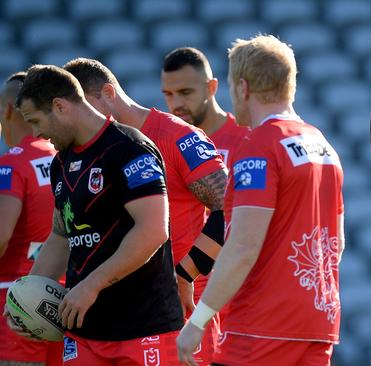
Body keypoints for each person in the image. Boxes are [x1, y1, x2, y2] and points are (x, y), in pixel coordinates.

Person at [176, 35, 345, 366]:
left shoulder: (261, 146)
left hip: (262, 327)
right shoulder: (323, 146)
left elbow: (242, 246)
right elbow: (337, 243)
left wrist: (197, 322)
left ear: (243, 87)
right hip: (317, 322)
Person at [9, 64, 184, 365]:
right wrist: (22, 299)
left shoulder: (130, 148)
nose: (36, 133)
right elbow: (61, 236)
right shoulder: (59, 164)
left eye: (36, 121)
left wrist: (91, 285)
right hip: (83, 332)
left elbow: (153, 230)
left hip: (143, 326)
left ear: (60, 106)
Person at [63, 58, 228, 365]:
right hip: (115, 315)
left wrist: (185, 273)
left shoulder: (178, 136)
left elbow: (229, 207)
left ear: (109, 94)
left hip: (179, 312)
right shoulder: (85, 151)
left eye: (87, 107)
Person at [0, 72, 62, 366]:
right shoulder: (63, 160)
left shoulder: (11, 163)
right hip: (61, 302)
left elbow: (1, 236)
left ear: (9, 110)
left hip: (14, 304)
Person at [161, 47, 249, 168]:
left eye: (185, 92)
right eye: (168, 94)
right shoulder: (163, 147)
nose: (176, 104)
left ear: (211, 88)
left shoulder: (246, 139)